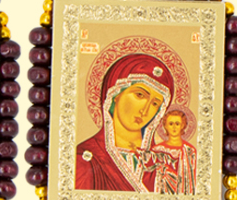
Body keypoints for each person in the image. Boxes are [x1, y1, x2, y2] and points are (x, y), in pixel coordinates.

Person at [74, 53, 174, 192]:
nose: (145, 110)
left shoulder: (163, 164)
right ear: (115, 94)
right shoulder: (85, 159)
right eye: (140, 95)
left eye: (155, 103)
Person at [151, 109, 197, 195]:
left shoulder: (190, 151)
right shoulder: (157, 150)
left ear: (183, 125)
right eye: (171, 124)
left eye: (177, 124)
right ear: (165, 126)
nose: (174, 127)